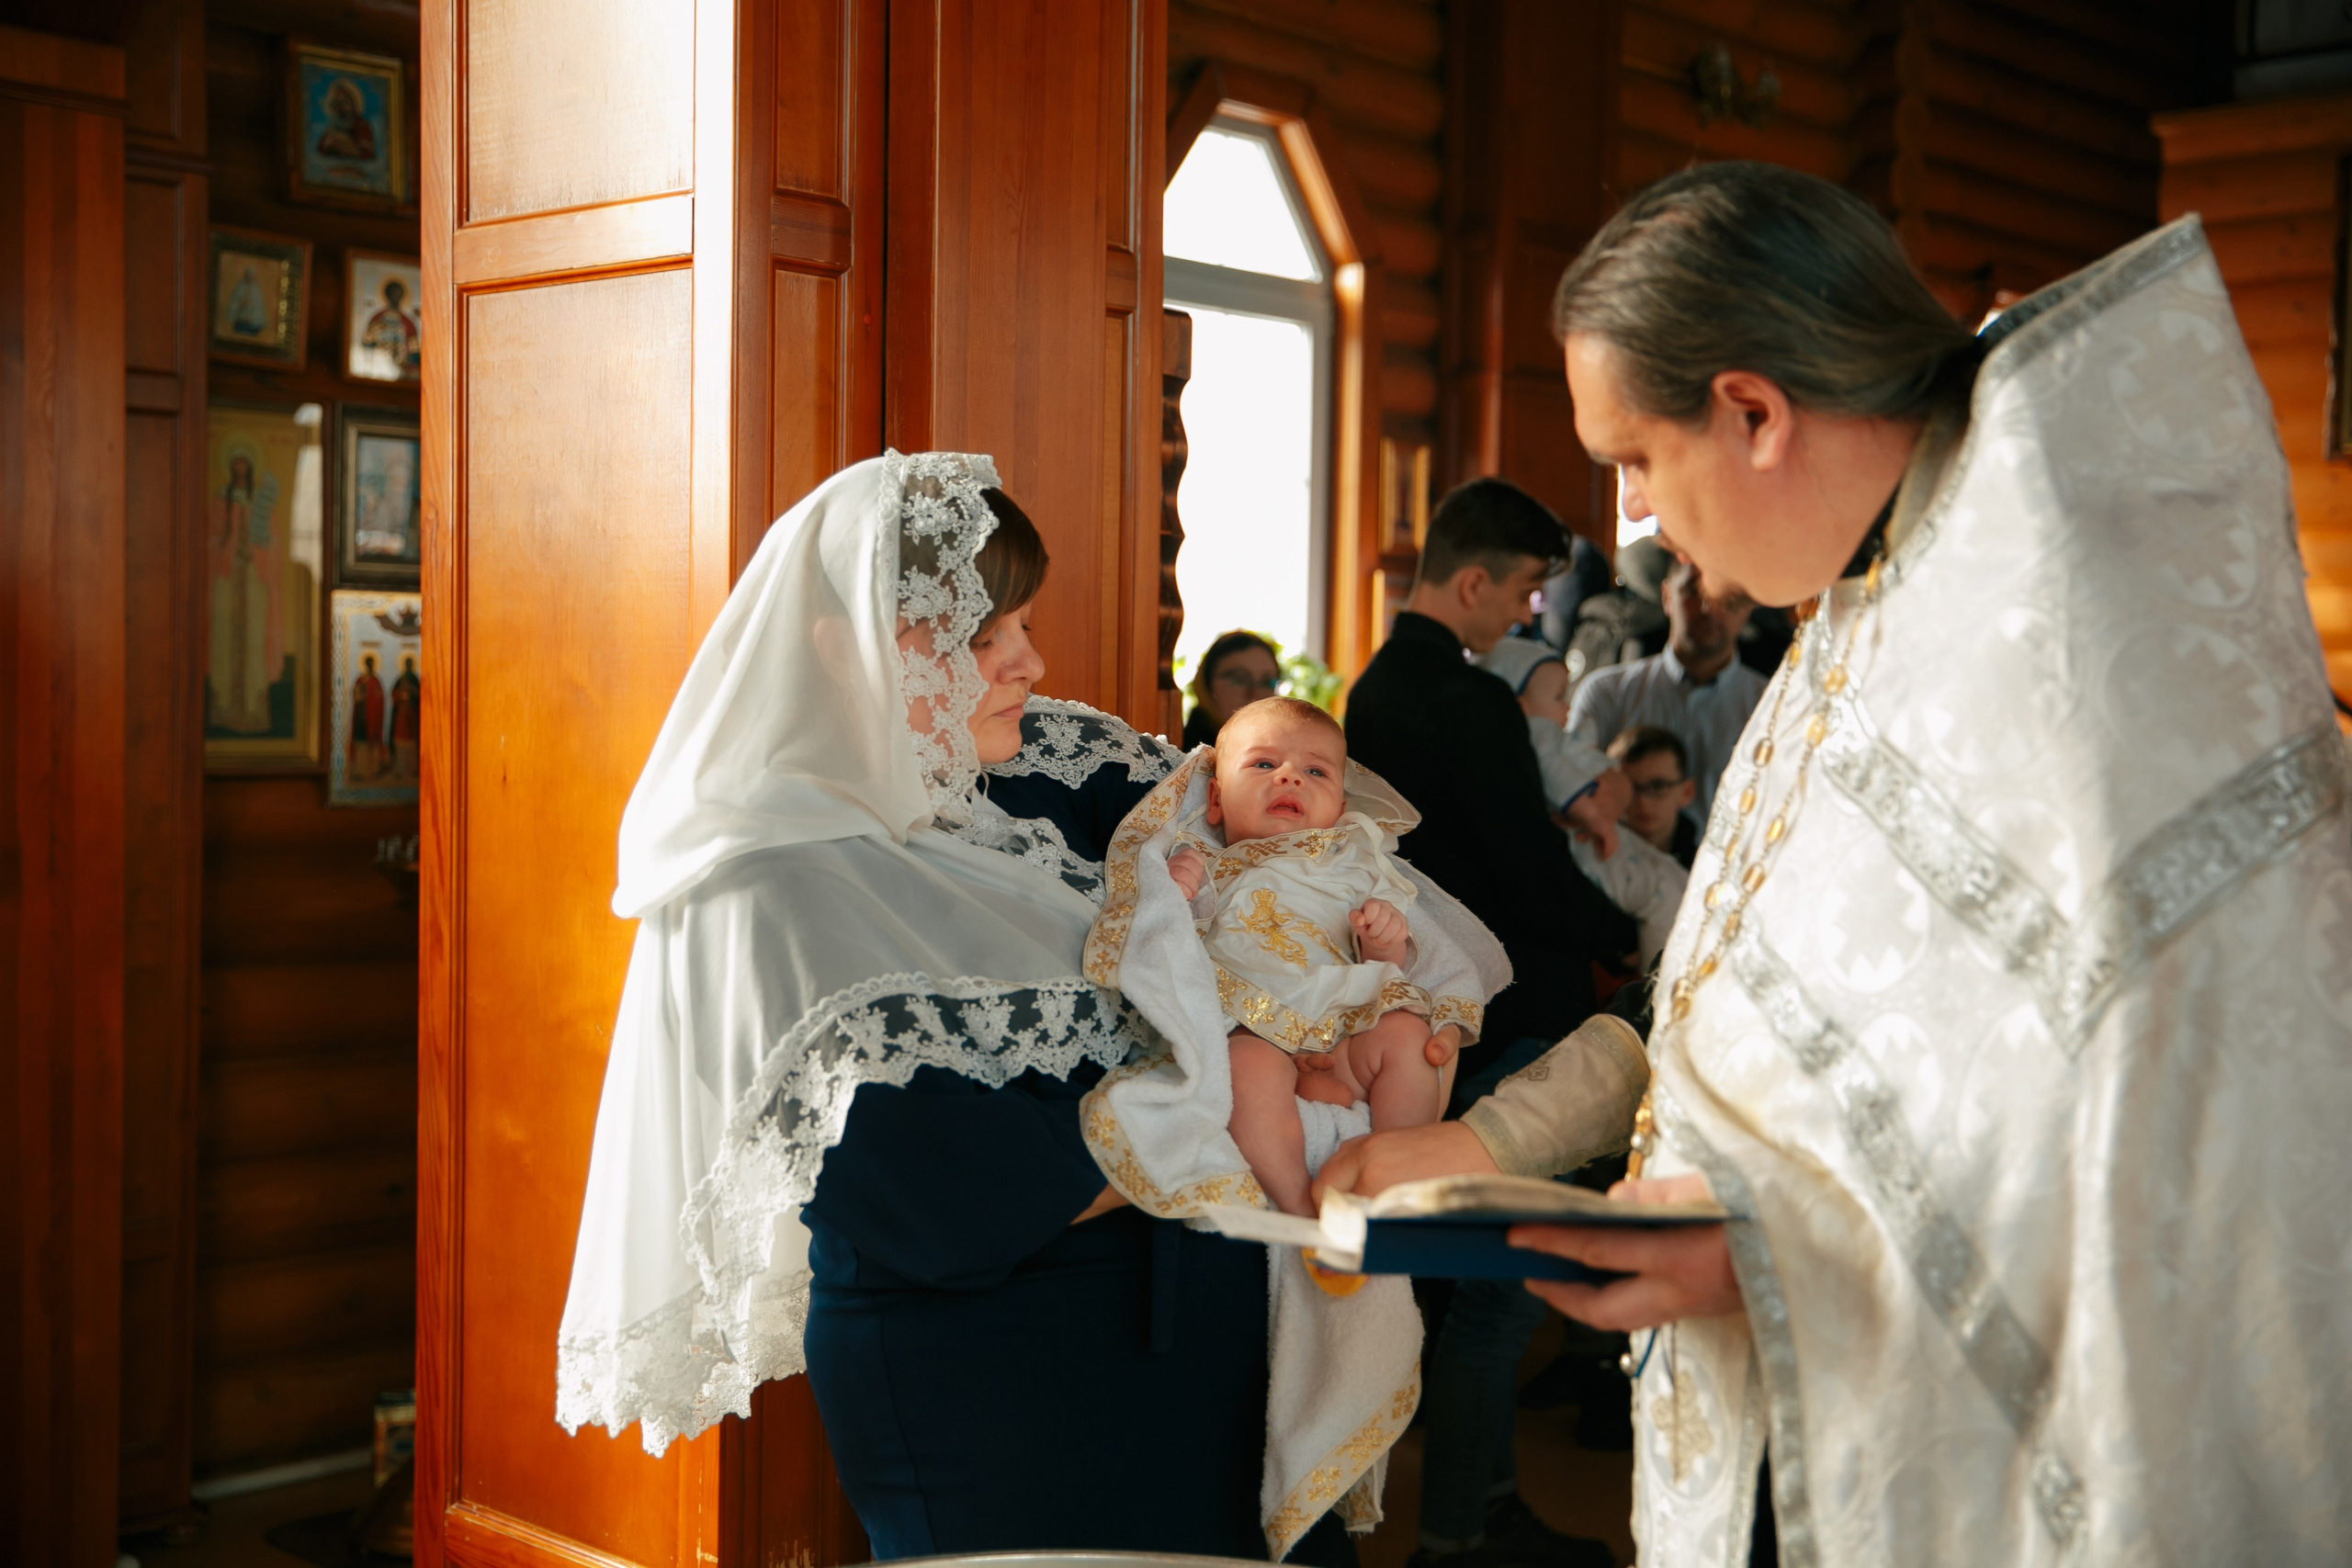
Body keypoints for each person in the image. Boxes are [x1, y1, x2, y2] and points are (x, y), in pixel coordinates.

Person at [1321, 162, 2352, 1565]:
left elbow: (2164, 1155)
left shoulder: (2056, 640)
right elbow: (1730, 990)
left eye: (1636, 455)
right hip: (1786, 1408)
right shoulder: (1867, 602)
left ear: (1753, 411)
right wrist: (1490, 1144)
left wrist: (1763, 1253)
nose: (1633, 512)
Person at [555, 452, 1416, 1562]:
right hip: (1009, 1388)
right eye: (982, 636)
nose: (1029, 663)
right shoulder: (762, 889)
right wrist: (1233, 1113)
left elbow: (1290, 842)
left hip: (1195, 1365)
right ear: (846, 646)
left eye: (1023, 625)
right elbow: (925, 1191)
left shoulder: (1012, 794)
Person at [1347, 477, 1631, 1568]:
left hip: (1444, 1010)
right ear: (1471, 583)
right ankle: (1460, 1532)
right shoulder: (1467, 699)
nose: (1526, 615)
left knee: (1476, 1284)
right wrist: (1620, 935)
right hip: (1519, 1015)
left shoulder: (1375, 690)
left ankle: (1484, 1504)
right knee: (1500, 1300)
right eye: (1521, 594)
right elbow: (1525, 867)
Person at [1147, 697, 1459, 1215]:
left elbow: (1390, 965)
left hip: (1344, 1028)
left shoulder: (1355, 863)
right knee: (1245, 1070)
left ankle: (1395, 1174)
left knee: (1406, 1033)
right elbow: (1171, 936)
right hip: (1255, 1027)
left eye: (1315, 771)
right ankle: (1299, 1206)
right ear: (1216, 800)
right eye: (1264, 764)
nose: (1290, 777)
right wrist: (1176, 887)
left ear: (1338, 808)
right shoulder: (1207, 860)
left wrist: (1382, 936)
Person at [1482, 638, 1686, 970]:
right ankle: (1655, 985)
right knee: (1661, 892)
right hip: (1589, 842)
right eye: (1558, 697)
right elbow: (1560, 778)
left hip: (1593, 839)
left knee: (1673, 880)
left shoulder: (1539, 738)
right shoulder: (1536, 734)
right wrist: (1599, 820)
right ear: (1519, 704)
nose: (1567, 708)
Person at [1567, 555, 1764, 823]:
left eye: (1725, 595)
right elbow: (1571, 794)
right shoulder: (1606, 695)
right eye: (1693, 591)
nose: (1708, 607)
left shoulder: (1772, 708)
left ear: (1748, 606)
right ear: (1667, 596)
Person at [1606, 725, 1699, 868]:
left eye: (1658, 786)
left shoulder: (1706, 868)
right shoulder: (1582, 861)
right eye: (1629, 788)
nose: (1642, 801)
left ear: (1687, 792)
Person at [1182, 627, 1283, 746]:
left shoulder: (1283, 747)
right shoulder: (1178, 753)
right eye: (1239, 679)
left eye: (1266, 682)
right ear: (1206, 684)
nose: (1254, 693)